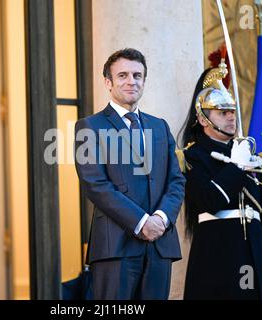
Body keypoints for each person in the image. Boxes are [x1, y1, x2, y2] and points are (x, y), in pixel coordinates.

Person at [74, 48, 185, 300]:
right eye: (122, 75)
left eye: (137, 75)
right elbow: (96, 185)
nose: (131, 81)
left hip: (160, 246)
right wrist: (141, 222)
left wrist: (160, 219)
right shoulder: (90, 126)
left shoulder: (159, 126)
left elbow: (176, 180)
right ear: (108, 82)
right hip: (116, 247)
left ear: (144, 81)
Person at [178, 61, 262, 300]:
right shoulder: (192, 156)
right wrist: (236, 167)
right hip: (219, 251)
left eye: (232, 111)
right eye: (222, 112)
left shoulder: (246, 152)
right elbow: (209, 200)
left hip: (254, 250)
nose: (230, 117)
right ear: (204, 119)